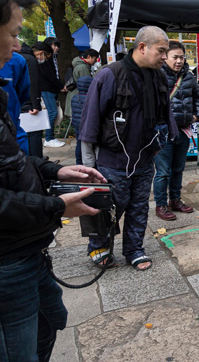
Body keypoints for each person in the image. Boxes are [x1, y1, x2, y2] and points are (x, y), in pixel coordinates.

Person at [0, 0, 107, 362]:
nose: (18, 45)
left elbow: (7, 158)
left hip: (26, 249)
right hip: (2, 264)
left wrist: (54, 172)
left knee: (51, 321)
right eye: (12, 32)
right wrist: (57, 207)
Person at [79, 25, 177, 271]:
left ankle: (134, 249)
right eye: (161, 51)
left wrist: (165, 140)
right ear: (142, 47)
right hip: (112, 161)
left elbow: (166, 114)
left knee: (139, 207)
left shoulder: (159, 76)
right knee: (108, 206)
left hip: (144, 159)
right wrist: (88, 166)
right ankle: (99, 247)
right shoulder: (109, 75)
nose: (165, 57)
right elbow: (90, 121)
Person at [153, 40, 199, 221]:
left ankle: (175, 200)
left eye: (182, 57)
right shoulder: (156, 75)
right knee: (163, 171)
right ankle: (161, 205)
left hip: (183, 130)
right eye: (175, 57)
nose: (179, 61)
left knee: (178, 169)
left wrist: (197, 115)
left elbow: (197, 98)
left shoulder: (189, 77)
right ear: (166, 57)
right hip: (164, 132)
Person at [0, 52, 31, 153]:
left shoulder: (16, 60)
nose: (18, 45)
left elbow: (23, 92)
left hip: (11, 127)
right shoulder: (16, 59)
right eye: (12, 36)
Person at [34, 41, 65, 147]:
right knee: (51, 113)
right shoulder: (44, 60)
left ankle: (50, 137)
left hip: (51, 89)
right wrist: (61, 86)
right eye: (53, 45)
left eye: (57, 46)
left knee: (52, 113)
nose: (55, 48)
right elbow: (50, 76)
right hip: (47, 89)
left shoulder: (51, 58)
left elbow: (54, 75)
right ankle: (48, 138)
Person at [19, 43, 44, 157]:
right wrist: (36, 104)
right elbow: (33, 83)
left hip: (18, 101)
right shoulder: (30, 60)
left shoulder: (17, 57)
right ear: (40, 53)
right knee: (34, 133)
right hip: (28, 102)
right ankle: (37, 161)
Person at [65, 49, 99, 123]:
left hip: (74, 95)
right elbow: (86, 84)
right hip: (79, 96)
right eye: (95, 59)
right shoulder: (83, 67)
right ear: (89, 57)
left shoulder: (79, 65)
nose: (96, 61)